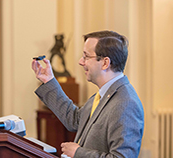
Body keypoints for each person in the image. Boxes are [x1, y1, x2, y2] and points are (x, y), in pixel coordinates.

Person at [32, 30, 144, 158]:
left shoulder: (126, 103)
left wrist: (78, 153)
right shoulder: (103, 94)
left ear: (105, 63)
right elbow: (75, 120)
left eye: (86, 56)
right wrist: (49, 81)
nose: (81, 61)